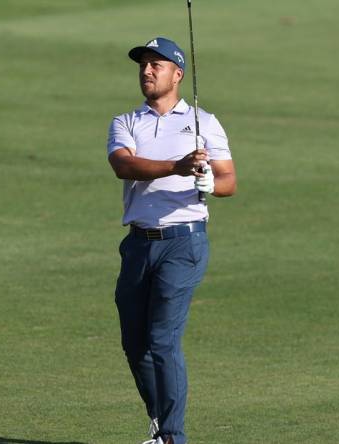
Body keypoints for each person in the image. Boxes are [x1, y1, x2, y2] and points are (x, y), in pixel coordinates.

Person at [106, 37, 236, 444]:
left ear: (177, 74)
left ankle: (172, 438)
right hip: (139, 243)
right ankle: (161, 422)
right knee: (135, 344)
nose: (146, 71)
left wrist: (210, 182)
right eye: (143, 65)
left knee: (162, 338)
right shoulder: (126, 122)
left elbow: (230, 180)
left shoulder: (204, 122)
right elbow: (124, 166)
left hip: (184, 242)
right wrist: (177, 167)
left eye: (155, 65)